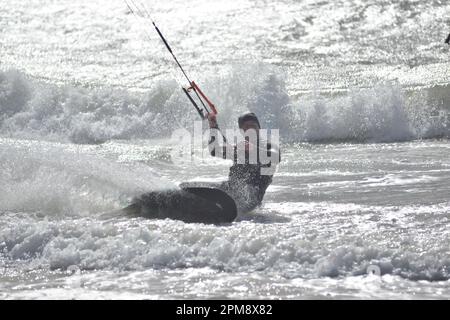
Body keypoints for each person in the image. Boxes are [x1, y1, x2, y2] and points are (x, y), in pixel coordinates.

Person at [207, 112, 280, 213]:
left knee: (245, 190)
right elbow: (214, 150)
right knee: (202, 187)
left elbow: (275, 156)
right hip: (230, 192)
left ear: (259, 128)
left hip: (252, 196)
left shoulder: (269, 146)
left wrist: (253, 149)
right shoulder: (239, 148)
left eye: (253, 126)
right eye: (246, 127)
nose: (250, 129)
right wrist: (213, 127)